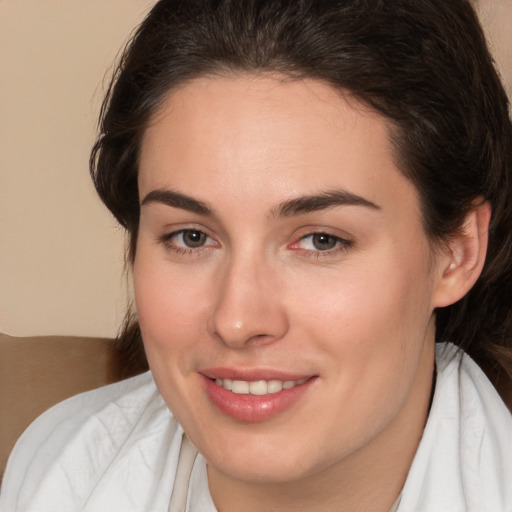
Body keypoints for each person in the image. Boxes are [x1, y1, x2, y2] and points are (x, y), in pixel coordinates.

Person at [1, 0, 511, 510]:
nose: (237, 321)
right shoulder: (64, 471)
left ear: (457, 253)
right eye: (191, 237)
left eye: (320, 240)